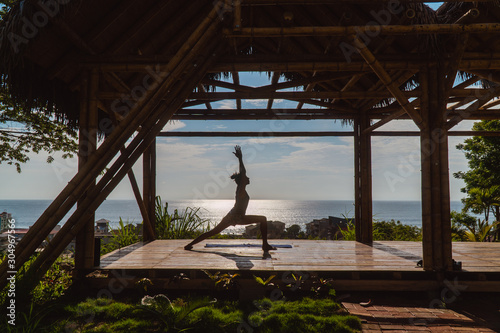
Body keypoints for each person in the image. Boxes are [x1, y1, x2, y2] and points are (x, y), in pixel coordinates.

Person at [184, 145, 277, 252]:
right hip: (236, 217)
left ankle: (190, 245)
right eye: (246, 178)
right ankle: (265, 245)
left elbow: (243, 175)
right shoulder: (241, 189)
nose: (248, 178)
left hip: (232, 216)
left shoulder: (241, 189)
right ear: (242, 180)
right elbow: (243, 174)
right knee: (263, 219)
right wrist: (240, 159)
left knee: (213, 232)